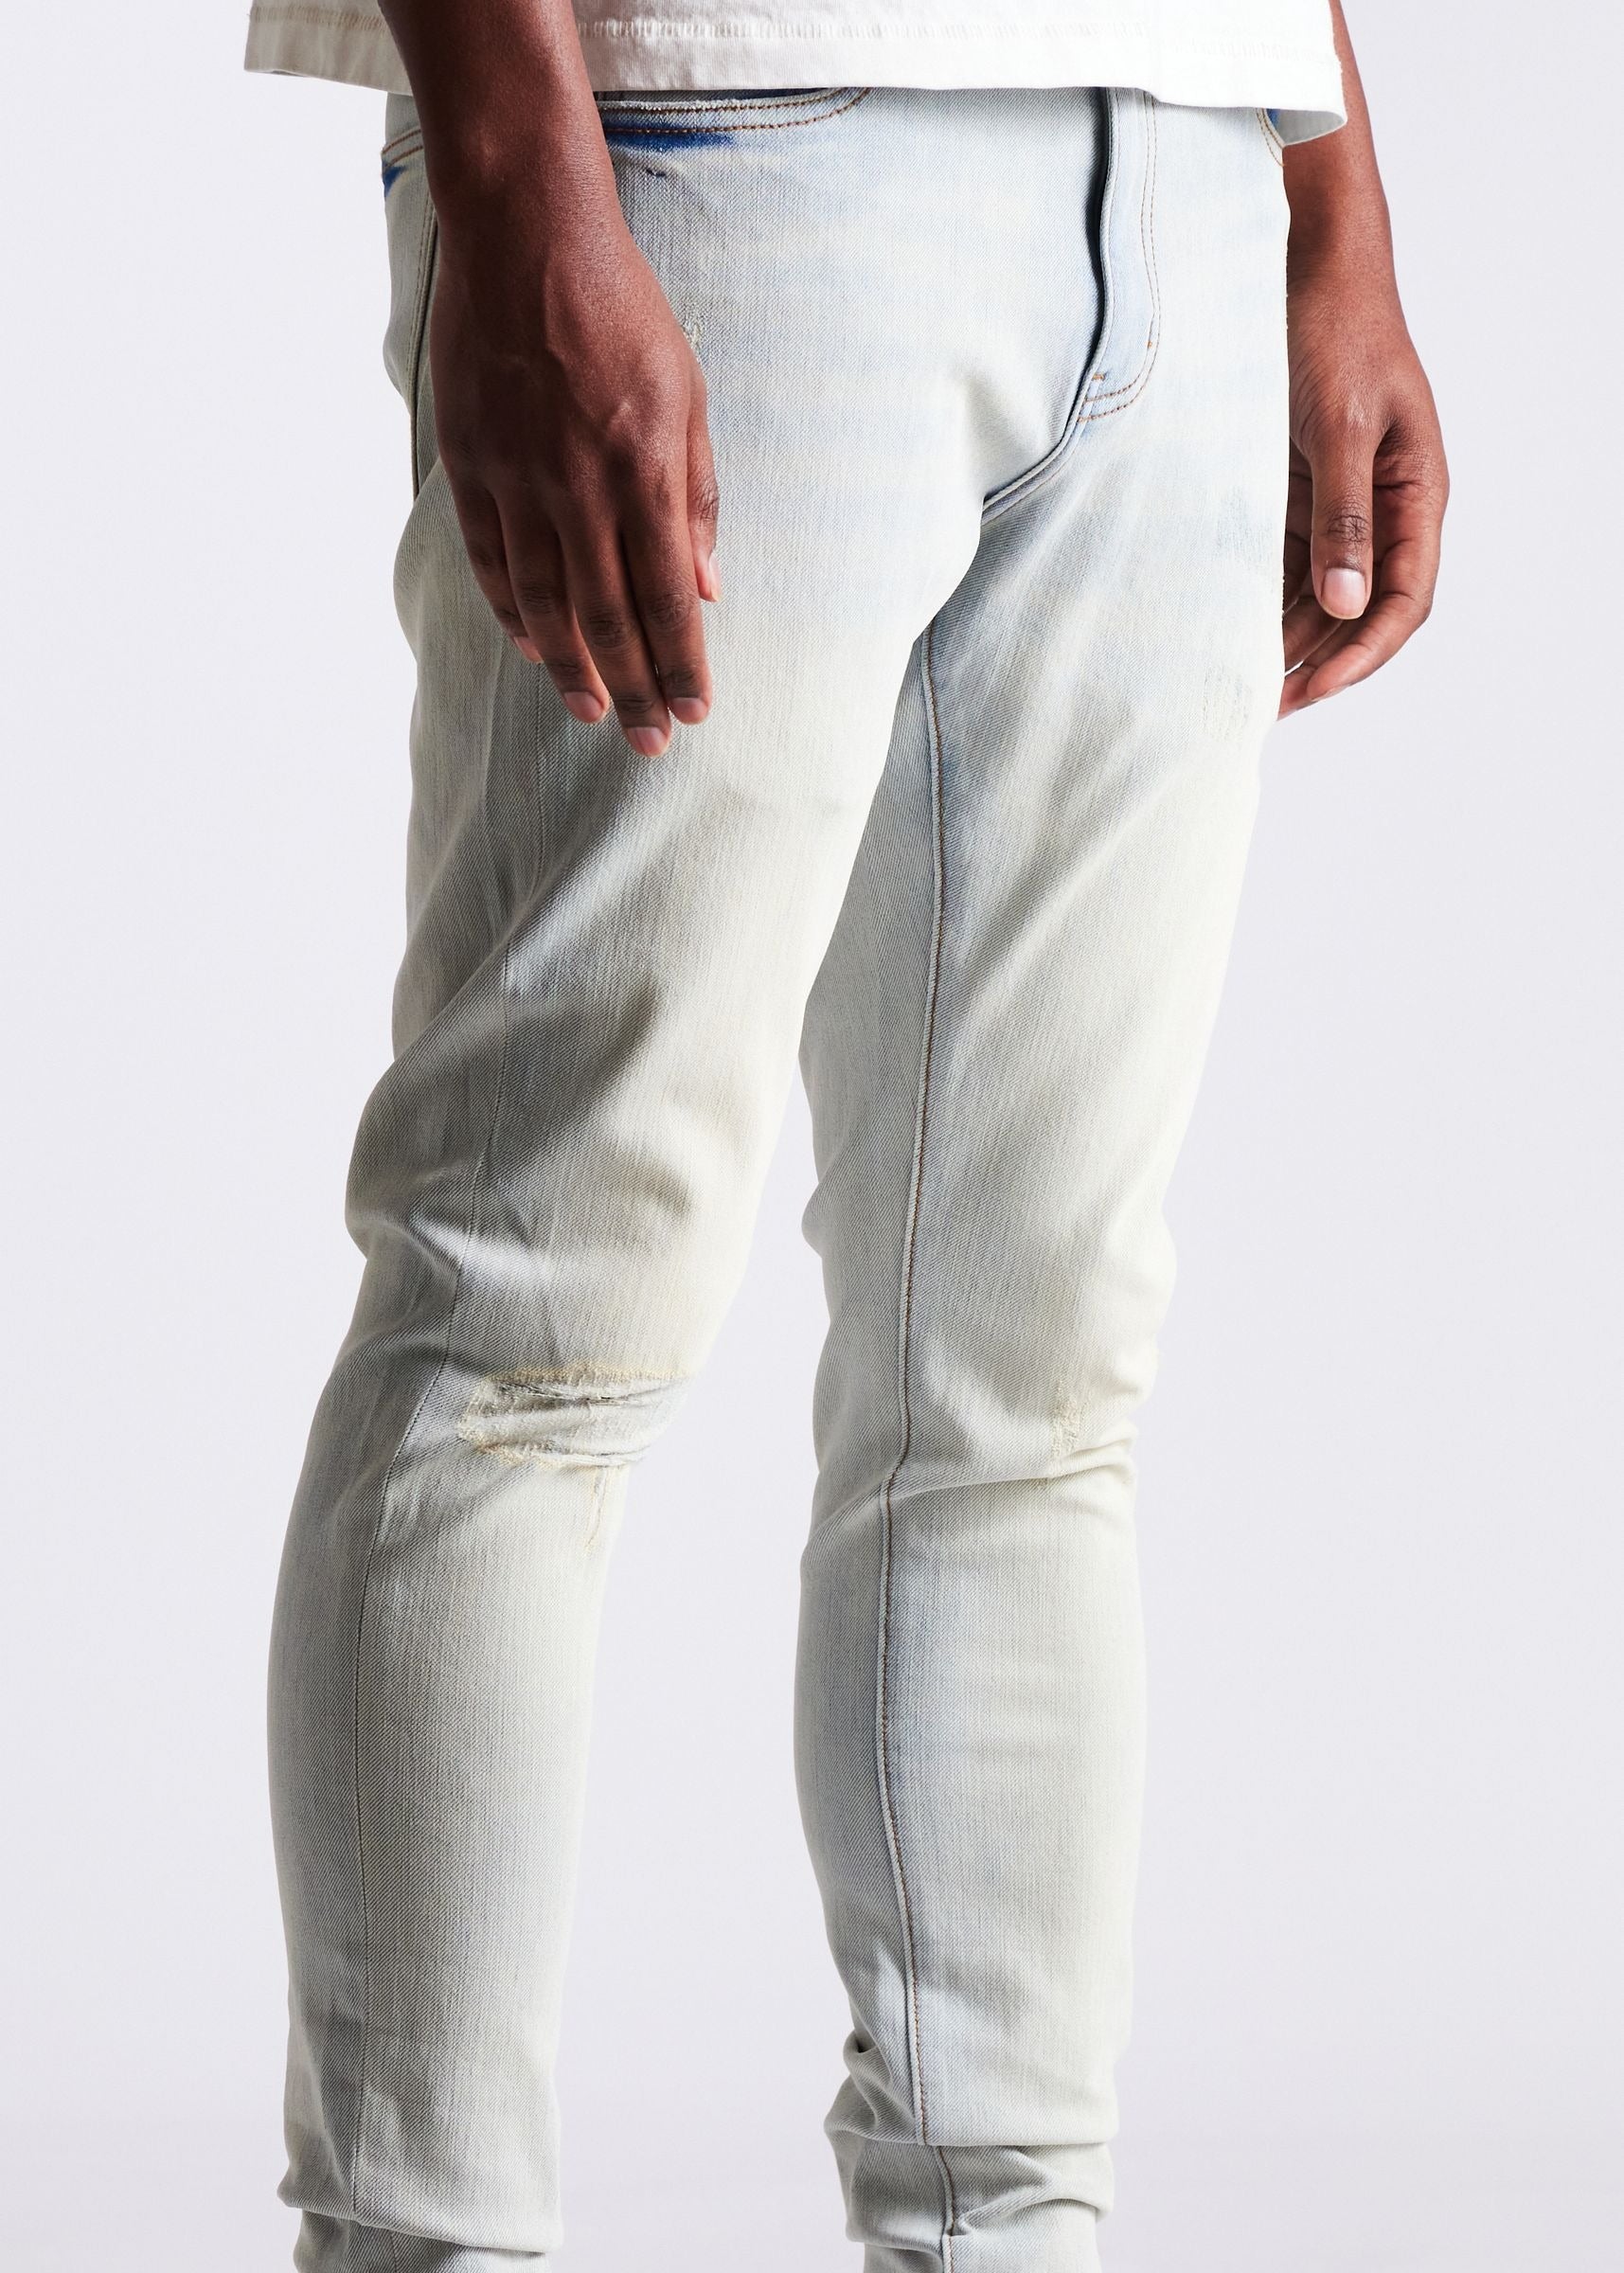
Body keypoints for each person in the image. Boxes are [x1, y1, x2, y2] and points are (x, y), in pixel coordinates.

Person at [245, 0, 1446, 2265]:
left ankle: (1004, 2232)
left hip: (1190, 152)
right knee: (534, 1307)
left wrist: (1331, 194)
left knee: (1028, 1370)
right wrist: (516, 174)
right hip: (719, 119)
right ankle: (420, 2238)